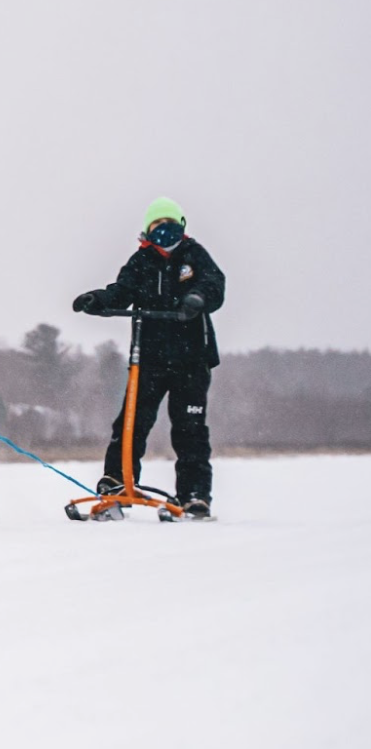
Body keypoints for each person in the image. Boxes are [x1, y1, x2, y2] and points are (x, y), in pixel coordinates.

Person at [73, 196, 226, 517]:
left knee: (189, 428)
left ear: (181, 228)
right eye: (157, 227)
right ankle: (116, 483)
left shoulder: (194, 256)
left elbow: (214, 285)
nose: (164, 232)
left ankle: (195, 494)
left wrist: (197, 298)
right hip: (149, 359)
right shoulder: (140, 261)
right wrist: (97, 299)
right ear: (147, 231)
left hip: (191, 360)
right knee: (131, 423)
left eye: (170, 226)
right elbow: (122, 291)